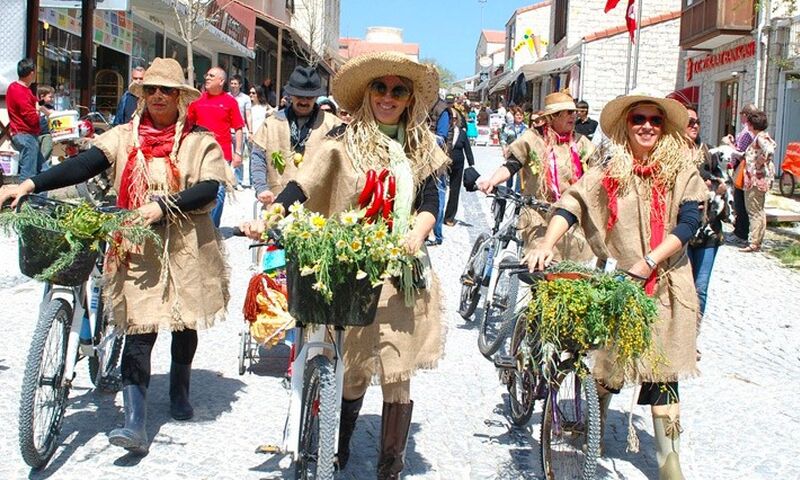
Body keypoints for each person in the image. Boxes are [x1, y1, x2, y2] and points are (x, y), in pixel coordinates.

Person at [0, 58, 232, 454]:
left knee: (182, 322)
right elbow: (84, 163)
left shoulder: (198, 140)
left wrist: (163, 206)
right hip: (137, 244)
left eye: (167, 91)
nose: (158, 96)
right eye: (151, 90)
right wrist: (30, 182)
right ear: (142, 95)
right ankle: (134, 424)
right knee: (138, 330)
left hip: (185, 243)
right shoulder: (124, 136)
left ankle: (179, 387)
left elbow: (210, 187)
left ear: (180, 97)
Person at [241, 51, 448, 479]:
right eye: (381, 87)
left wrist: (417, 233)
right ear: (368, 92)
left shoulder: (420, 146)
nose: (388, 97)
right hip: (353, 269)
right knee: (352, 370)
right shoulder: (341, 140)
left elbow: (431, 200)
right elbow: (303, 185)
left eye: (399, 90)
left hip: (403, 272)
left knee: (397, 372)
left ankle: (391, 465)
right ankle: (338, 450)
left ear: (410, 98)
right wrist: (270, 218)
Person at [525, 93, 706, 480]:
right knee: (608, 369)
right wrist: (546, 242)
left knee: (665, 376)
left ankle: (671, 468)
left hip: (669, 289)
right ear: (627, 124)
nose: (646, 126)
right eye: (639, 118)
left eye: (655, 121)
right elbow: (571, 204)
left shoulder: (681, 170)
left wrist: (651, 261)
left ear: (664, 127)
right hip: (623, 286)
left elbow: (689, 224)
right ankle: (595, 426)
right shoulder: (610, 169)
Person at [478, 91, 595, 260]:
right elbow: (512, 165)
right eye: (568, 112)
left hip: (571, 215)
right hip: (538, 214)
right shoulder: (532, 138)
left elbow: (596, 173)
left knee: (572, 267)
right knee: (540, 264)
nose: (573, 116)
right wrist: (492, 181)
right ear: (553, 116)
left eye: (574, 112)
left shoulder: (581, 142)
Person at [249, 65, 340, 206]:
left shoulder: (333, 124)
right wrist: (261, 188)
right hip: (277, 205)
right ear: (290, 95)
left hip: (317, 209)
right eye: (299, 96)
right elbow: (258, 157)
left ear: (316, 96)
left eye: (309, 97)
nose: (304, 101)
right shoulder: (271, 123)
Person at [685, 106, 726, 348]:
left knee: (700, 287)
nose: (694, 126)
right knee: (682, 285)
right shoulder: (671, 153)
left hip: (708, 229)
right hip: (681, 230)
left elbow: (723, 180)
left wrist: (719, 186)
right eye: (689, 121)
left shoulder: (707, 151)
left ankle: (692, 339)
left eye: (697, 122)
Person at [187, 66, 245, 227]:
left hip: (221, 155)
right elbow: (188, 125)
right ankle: (200, 226)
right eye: (207, 75)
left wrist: (238, 152)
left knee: (218, 192)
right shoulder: (196, 101)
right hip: (198, 155)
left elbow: (238, 128)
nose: (207, 77)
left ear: (221, 81)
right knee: (198, 190)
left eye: (212, 76)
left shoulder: (230, 102)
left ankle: (212, 228)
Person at [740, 109, 776, 253]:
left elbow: (769, 150)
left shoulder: (759, 138)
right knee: (759, 210)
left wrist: (759, 163)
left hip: (756, 178)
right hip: (760, 178)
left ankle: (753, 241)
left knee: (753, 210)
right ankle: (757, 240)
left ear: (752, 125)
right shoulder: (763, 136)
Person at [7, 58, 45, 181]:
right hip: (26, 134)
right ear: (32, 73)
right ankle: (25, 199)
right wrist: (38, 111)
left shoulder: (17, 88)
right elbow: (31, 116)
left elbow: (36, 104)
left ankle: (40, 199)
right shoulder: (20, 91)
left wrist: (43, 105)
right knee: (29, 173)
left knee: (44, 170)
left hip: (25, 134)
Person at [727, 103, 758, 245]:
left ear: (745, 115)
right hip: (745, 168)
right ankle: (740, 231)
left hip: (742, 167)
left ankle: (741, 233)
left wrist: (729, 144)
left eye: (741, 114)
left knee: (740, 201)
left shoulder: (746, 132)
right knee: (741, 201)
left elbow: (741, 153)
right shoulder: (751, 131)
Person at [229, 74, 252, 189]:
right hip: (227, 131)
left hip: (239, 131)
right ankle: (227, 181)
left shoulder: (245, 98)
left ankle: (238, 181)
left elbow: (248, 115)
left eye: (235, 84)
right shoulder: (226, 96)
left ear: (240, 85)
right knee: (227, 156)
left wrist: (250, 130)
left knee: (239, 156)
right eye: (232, 83)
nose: (233, 86)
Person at [37, 85, 55, 164]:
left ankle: (45, 168)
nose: (52, 99)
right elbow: (39, 105)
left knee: (47, 151)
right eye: (50, 97)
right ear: (42, 96)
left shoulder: (50, 107)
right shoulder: (38, 104)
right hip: (36, 133)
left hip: (47, 133)